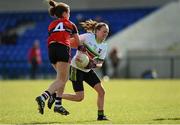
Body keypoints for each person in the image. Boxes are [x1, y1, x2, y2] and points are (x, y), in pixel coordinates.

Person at [48, 19, 110, 120]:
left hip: (88, 69)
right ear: (97, 31)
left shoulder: (104, 46)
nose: (106, 34)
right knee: (79, 97)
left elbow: (100, 63)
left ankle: (101, 115)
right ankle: (56, 95)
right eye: (104, 31)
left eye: (107, 32)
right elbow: (70, 43)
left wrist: (93, 64)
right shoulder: (87, 37)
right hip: (75, 69)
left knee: (101, 92)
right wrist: (79, 50)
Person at [35, 0, 80, 115]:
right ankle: (44, 96)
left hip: (51, 49)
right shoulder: (71, 24)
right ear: (65, 13)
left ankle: (58, 105)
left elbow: (54, 36)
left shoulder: (51, 24)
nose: (69, 15)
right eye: (68, 12)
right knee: (63, 79)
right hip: (62, 48)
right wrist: (82, 49)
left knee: (61, 78)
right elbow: (78, 41)